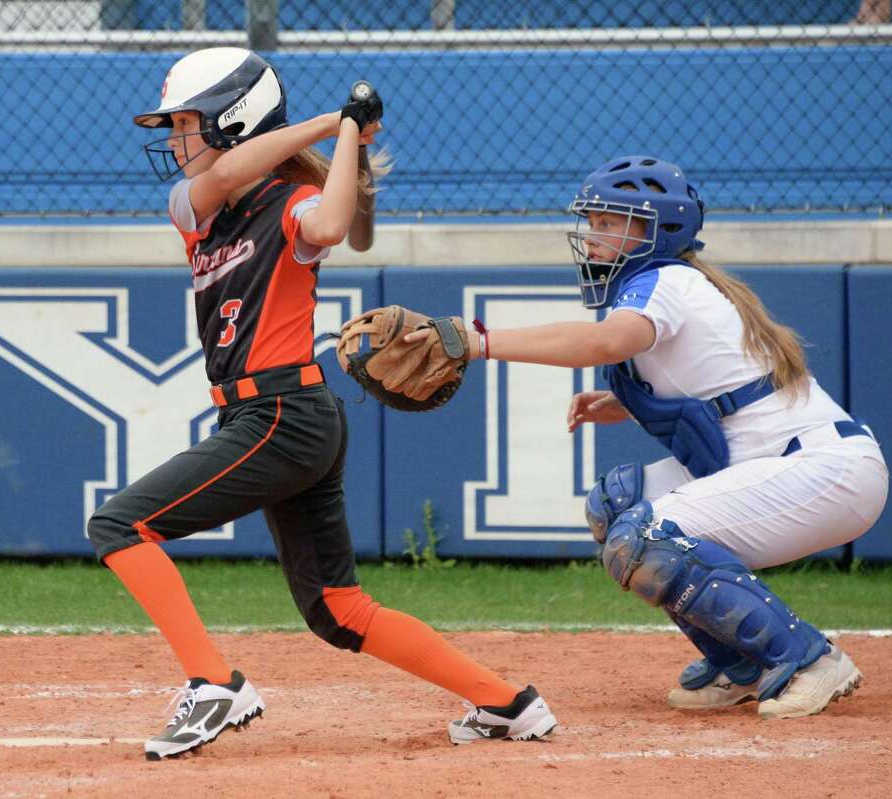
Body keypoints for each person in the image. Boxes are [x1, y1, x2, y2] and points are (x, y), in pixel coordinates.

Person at [93, 46, 557, 761]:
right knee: (338, 611)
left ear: (234, 121)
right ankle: (508, 703)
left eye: (186, 124)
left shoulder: (291, 206)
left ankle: (213, 683)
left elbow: (336, 225)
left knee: (120, 523)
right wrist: (332, 120)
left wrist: (347, 137)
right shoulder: (194, 207)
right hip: (275, 418)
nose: (174, 140)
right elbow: (224, 172)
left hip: (283, 414)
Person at [408, 155, 889, 720]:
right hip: (784, 463)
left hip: (826, 470)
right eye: (594, 222)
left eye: (611, 224)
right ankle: (741, 663)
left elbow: (604, 344)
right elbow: (724, 391)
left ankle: (808, 657)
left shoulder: (666, 280)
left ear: (657, 231)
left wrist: (481, 340)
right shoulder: (674, 282)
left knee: (648, 535)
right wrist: (623, 404)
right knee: (616, 506)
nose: (592, 237)